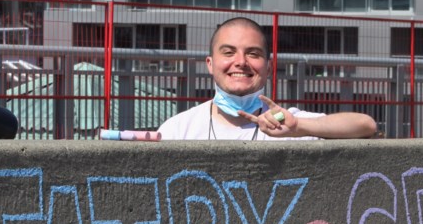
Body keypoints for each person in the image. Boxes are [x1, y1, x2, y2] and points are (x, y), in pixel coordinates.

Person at [157, 17, 378, 140]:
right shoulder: (178, 129)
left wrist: (299, 127)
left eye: (253, 53)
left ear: (269, 67)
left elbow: (366, 125)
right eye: (228, 52)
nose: (241, 62)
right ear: (210, 64)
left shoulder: (285, 122)